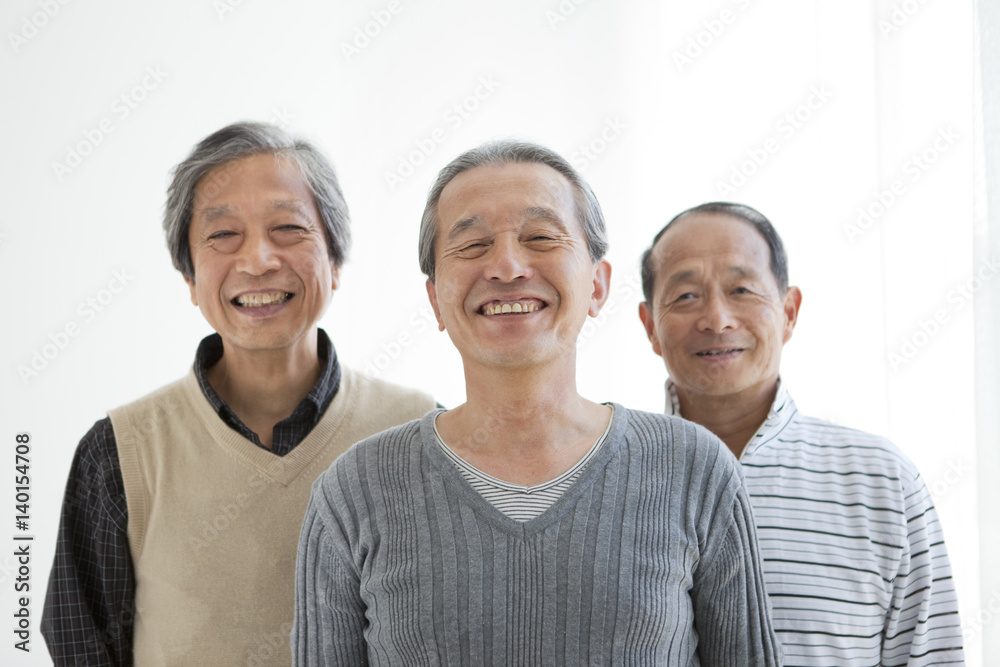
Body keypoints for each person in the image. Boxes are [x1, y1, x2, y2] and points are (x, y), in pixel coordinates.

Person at [293, 141, 783, 665]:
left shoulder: (697, 469)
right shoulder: (354, 492)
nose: (506, 266)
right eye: (473, 244)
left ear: (597, 285)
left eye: (541, 237)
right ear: (435, 299)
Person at [41, 121, 436, 666]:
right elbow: (81, 645)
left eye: (289, 229)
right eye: (223, 235)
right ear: (189, 276)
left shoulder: (421, 435)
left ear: (336, 261)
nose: (258, 261)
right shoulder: (120, 453)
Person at [637, 201, 966, 665]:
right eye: (686, 296)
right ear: (650, 325)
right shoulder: (610, 477)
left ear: (789, 311)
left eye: (742, 289)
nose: (716, 319)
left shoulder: (881, 481)